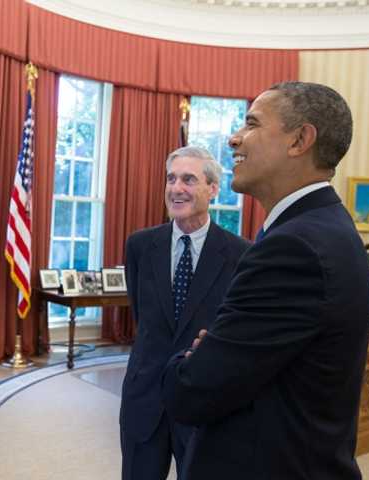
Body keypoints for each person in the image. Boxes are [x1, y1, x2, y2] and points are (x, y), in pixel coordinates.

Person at [161, 82, 369, 479]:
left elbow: (192, 390)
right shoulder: (323, 227)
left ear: (299, 140)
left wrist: (184, 361)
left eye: (252, 124)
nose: (233, 138)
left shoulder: (295, 247)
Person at [120, 146, 250, 479]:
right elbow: (143, 316)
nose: (177, 188)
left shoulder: (241, 254)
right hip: (144, 397)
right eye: (171, 178)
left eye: (189, 179)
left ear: (213, 189)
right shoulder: (139, 246)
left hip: (204, 402)